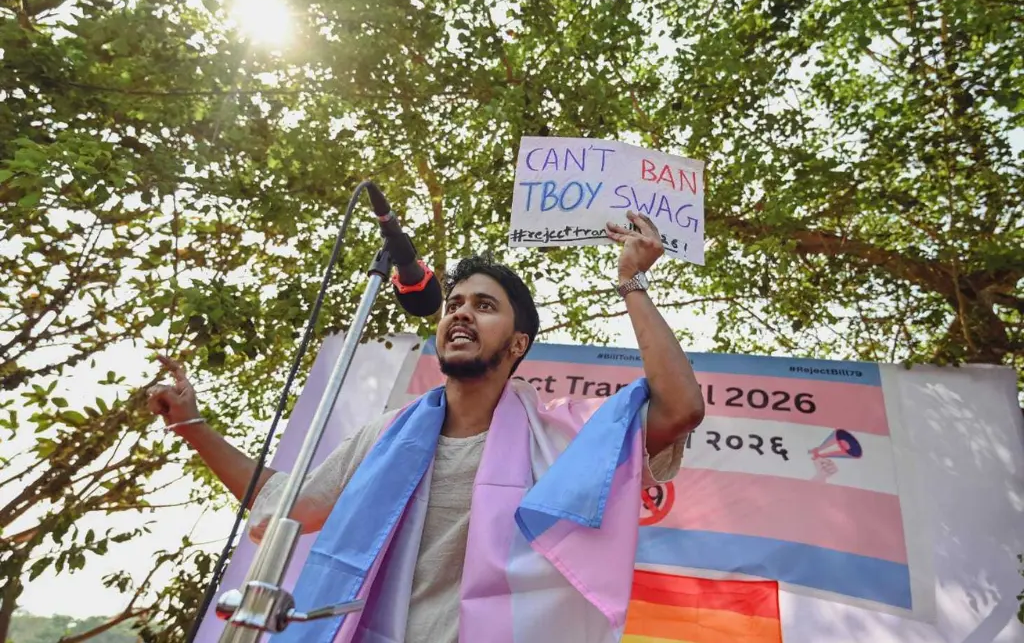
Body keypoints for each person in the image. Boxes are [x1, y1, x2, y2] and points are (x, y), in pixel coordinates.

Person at [149, 211, 705, 643]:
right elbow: (284, 503)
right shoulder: (386, 436)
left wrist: (631, 281)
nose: (460, 313)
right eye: (454, 304)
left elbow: (678, 407)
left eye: (484, 306)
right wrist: (194, 426)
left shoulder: (559, 435)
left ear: (517, 345)